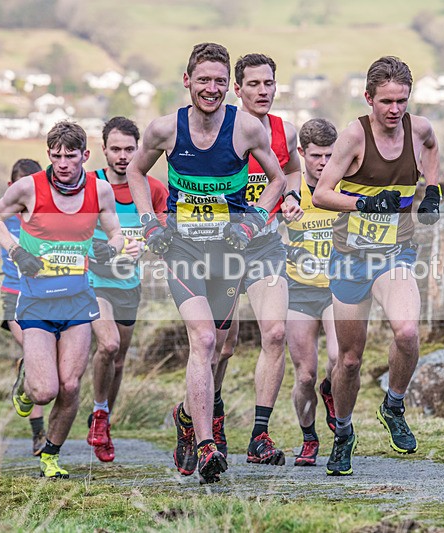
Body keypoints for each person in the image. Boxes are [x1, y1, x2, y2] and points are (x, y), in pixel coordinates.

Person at [127, 43, 287, 484]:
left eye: (220, 81)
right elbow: (136, 172)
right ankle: (205, 444)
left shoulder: (248, 129)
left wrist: (254, 222)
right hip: (183, 250)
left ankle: (185, 417)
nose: (212, 89)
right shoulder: (164, 129)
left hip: (228, 254)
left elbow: (278, 180)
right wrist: (148, 223)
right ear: (187, 81)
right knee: (202, 339)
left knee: (218, 345)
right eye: (204, 80)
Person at [313, 56, 442, 476]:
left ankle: (393, 404)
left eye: (402, 100)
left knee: (407, 333)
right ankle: (345, 432)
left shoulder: (416, 128)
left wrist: (433, 188)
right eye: (386, 101)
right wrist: (364, 202)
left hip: (395, 253)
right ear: (368, 98)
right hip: (351, 258)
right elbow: (320, 194)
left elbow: (432, 145)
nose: (394, 109)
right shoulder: (354, 137)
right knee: (349, 359)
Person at [0, 121, 124, 479]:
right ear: (49, 155)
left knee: (71, 384)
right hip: (35, 302)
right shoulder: (29, 188)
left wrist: (108, 250)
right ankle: (26, 383)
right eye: (57, 155)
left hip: (78, 299)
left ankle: (51, 455)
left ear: (85, 156)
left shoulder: (100, 190)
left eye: (71, 156)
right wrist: (16, 251)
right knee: (45, 390)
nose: (63, 163)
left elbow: (117, 234)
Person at [212, 53, 303, 466]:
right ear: (237, 89)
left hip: (266, 247)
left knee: (275, 334)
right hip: (223, 250)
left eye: (268, 83)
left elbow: (294, 171)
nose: (262, 91)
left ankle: (259, 436)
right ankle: (207, 420)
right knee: (220, 345)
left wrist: (291, 197)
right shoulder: (220, 129)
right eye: (253, 84)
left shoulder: (282, 130)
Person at [85, 116, 168, 463]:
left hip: (128, 284)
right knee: (108, 344)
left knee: (118, 361)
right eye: (115, 149)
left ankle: (102, 420)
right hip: (91, 280)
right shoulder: (88, 184)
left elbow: (162, 232)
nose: (122, 156)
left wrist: (147, 245)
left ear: (140, 150)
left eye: (129, 149)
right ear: (103, 150)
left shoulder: (153, 189)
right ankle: (98, 414)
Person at [284, 118, 340, 466]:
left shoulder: (342, 187)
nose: (323, 163)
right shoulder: (292, 191)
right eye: (316, 155)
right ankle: (308, 436)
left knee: (339, 359)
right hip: (299, 291)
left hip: (337, 289)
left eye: (330, 156)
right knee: (304, 373)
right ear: (302, 153)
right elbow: (271, 234)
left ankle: (331, 391)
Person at [0, 158, 47, 456]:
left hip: (41, 295)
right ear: (13, 187)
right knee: (33, 353)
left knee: (43, 362)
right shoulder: (5, 214)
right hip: (12, 295)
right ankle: (39, 435)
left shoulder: (44, 213)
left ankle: (27, 372)